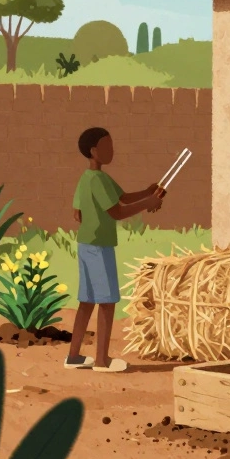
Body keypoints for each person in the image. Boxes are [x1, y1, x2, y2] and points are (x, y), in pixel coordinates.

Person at [66, 127, 165, 373]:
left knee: (86, 301)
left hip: (85, 243)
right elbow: (118, 211)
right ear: (93, 151)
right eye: (107, 146)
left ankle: (74, 356)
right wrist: (149, 203)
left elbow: (120, 198)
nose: (112, 151)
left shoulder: (88, 178)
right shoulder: (98, 180)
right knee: (107, 302)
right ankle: (101, 361)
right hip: (100, 246)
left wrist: (147, 192)